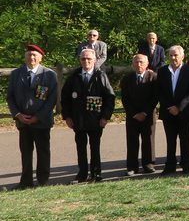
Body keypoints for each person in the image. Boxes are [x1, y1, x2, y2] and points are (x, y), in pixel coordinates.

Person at [6, 44, 58, 188]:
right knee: (26, 152)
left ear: (41, 58)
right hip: (23, 121)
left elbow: (52, 99)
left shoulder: (49, 74)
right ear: (25, 57)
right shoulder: (16, 74)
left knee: (43, 151)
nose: (32, 57)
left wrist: (38, 116)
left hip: (41, 121)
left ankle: (43, 181)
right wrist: (17, 115)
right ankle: (26, 182)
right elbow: (10, 97)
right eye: (29, 54)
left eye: (35, 55)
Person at [61, 48, 116, 182]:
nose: (86, 61)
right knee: (80, 147)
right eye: (83, 59)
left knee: (95, 147)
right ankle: (82, 174)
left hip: (96, 120)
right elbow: (65, 98)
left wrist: (105, 117)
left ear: (95, 60)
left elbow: (110, 97)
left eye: (89, 59)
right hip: (77, 120)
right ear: (80, 60)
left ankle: (96, 173)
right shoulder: (74, 76)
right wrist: (67, 116)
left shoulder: (100, 76)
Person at [157, 45, 189, 174]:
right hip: (168, 111)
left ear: (182, 56)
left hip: (184, 112)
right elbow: (160, 92)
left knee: (185, 140)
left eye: (176, 55)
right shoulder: (162, 71)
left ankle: (186, 165)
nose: (173, 57)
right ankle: (170, 165)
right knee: (170, 140)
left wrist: (179, 108)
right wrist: (170, 107)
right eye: (171, 55)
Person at [120, 54, 158, 175]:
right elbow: (125, 98)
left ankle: (148, 164)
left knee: (148, 139)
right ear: (132, 64)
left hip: (148, 115)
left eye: (141, 62)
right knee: (132, 141)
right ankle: (132, 167)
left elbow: (155, 97)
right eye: (136, 62)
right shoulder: (126, 78)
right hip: (132, 116)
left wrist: (145, 112)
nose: (139, 64)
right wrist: (134, 113)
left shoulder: (154, 77)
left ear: (147, 64)